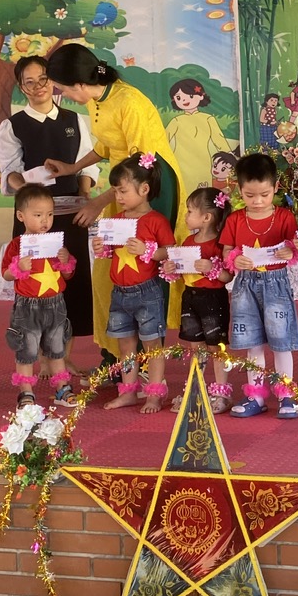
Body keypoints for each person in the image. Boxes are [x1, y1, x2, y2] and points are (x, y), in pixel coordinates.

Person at [42, 44, 188, 359]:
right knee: (112, 266)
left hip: (149, 187)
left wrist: (98, 203)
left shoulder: (129, 102)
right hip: (122, 186)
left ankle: (146, 359)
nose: (64, 95)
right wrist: (72, 168)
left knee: (144, 266)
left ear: (80, 84)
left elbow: (142, 164)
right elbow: (108, 145)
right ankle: (119, 357)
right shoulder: (97, 100)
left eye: (63, 89)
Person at [0, 55, 99, 366]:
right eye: (29, 82)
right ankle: (40, 358)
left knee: (72, 282)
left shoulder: (75, 120)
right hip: (32, 221)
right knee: (34, 284)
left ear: (52, 80)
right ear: (21, 87)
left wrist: (85, 198)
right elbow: (9, 172)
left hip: (71, 216)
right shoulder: (12, 125)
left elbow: (86, 165)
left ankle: (63, 358)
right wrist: (26, 191)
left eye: (43, 79)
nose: (38, 86)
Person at [91, 154, 175, 413]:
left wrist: (148, 250)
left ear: (144, 189)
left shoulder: (156, 220)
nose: (118, 197)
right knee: (125, 346)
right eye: (115, 191)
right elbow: (112, 252)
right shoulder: (116, 221)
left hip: (147, 292)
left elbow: (170, 251)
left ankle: (154, 394)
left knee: (152, 346)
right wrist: (102, 248)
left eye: (123, 191)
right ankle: (128, 391)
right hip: (120, 293)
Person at [221, 152, 298, 418]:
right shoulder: (235, 219)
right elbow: (226, 252)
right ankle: (255, 395)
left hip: (276, 284)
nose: (257, 201)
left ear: (276, 187)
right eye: (249, 195)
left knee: (281, 342)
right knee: (252, 342)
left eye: (264, 195)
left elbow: (296, 247)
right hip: (245, 285)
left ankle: (286, 395)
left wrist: (291, 251)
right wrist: (235, 259)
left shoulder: (285, 217)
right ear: (239, 190)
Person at [1, 184, 77, 409]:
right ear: (21, 216)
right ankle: (26, 393)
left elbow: (68, 274)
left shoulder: (55, 244)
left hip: (56, 304)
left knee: (57, 349)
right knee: (26, 350)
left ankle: (62, 389)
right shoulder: (16, 245)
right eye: (38, 215)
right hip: (27, 307)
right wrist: (18, 267)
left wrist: (65, 261)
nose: (45, 220)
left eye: (50, 214)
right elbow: (5, 274)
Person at [162, 187, 234, 414]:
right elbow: (182, 271)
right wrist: (172, 268)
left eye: (190, 211)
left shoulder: (220, 244)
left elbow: (228, 276)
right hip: (190, 297)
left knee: (217, 347)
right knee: (195, 346)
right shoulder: (187, 240)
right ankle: (196, 389)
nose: (186, 216)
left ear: (206, 217)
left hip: (213, 299)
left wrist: (212, 268)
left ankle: (222, 392)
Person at [165, 77, 231, 189]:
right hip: (181, 163)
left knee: (204, 192)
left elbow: (219, 140)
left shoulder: (208, 119)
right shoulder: (176, 121)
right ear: (174, 100)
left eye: (190, 96)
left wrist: (229, 156)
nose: (184, 100)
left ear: (201, 96)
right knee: (183, 190)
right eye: (179, 98)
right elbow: (164, 139)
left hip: (203, 162)